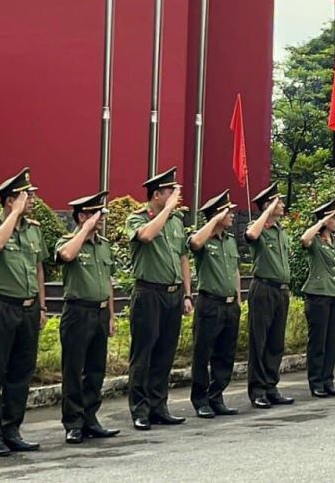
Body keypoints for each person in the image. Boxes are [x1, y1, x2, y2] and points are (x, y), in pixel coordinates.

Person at [0, 168, 49, 457]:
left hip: (28, 309)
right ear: (9, 200)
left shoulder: (34, 229)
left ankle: (11, 429)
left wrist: (42, 305)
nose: (31, 199)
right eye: (25, 196)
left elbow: (39, 267)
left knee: (21, 372)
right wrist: (13, 216)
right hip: (0, 307)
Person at [125, 168, 191, 431]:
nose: (176, 195)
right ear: (156, 195)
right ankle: (140, 410)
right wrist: (167, 211)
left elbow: (183, 257)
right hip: (148, 293)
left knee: (165, 353)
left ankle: (158, 406)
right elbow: (146, 236)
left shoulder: (176, 221)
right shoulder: (138, 218)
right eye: (170, 192)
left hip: (172, 295)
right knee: (143, 354)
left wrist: (187, 293)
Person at [56, 190, 117, 445]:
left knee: (95, 370)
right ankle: (73, 422)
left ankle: (90, 418)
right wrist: (85, 229)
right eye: (94, 213)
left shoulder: (103, 246)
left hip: (100, 311)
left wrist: (111, 316)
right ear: (82, 216)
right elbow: (67, 256)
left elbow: (108, 281)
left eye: (100, 213)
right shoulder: (66, 240)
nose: (100, 218)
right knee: (74, 369)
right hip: (77, 312)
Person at [188, 191, 246, 416]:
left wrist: (238, 299)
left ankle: (217, 396)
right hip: (209, 303)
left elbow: (235, 271)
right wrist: (212, 221)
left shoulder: (230, 241)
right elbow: (194, 244)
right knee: (203, 353)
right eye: (228, 212)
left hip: (229, 305)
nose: (232, 215)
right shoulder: (203, 238)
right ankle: (201, 400)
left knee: (225, 353)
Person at [245, 183, 295, 402]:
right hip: (263, 288)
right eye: (278, 201)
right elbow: (251, 234)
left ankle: (271, 386)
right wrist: (266, 211)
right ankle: (257, 390)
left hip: (281, 290)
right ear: (268, 204)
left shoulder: (280, 231)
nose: (282, 205)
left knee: (276, 342)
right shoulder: (258, 228)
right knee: (260, 341)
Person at [300, 199, 335, 398]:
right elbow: (304, 239)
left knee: (330, 341)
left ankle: (328, 380)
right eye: (334, 217)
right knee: (317, 341)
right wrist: (320, 222)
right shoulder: (315, 241)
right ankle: (316, 382)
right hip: (317, 295)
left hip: (333, 295)